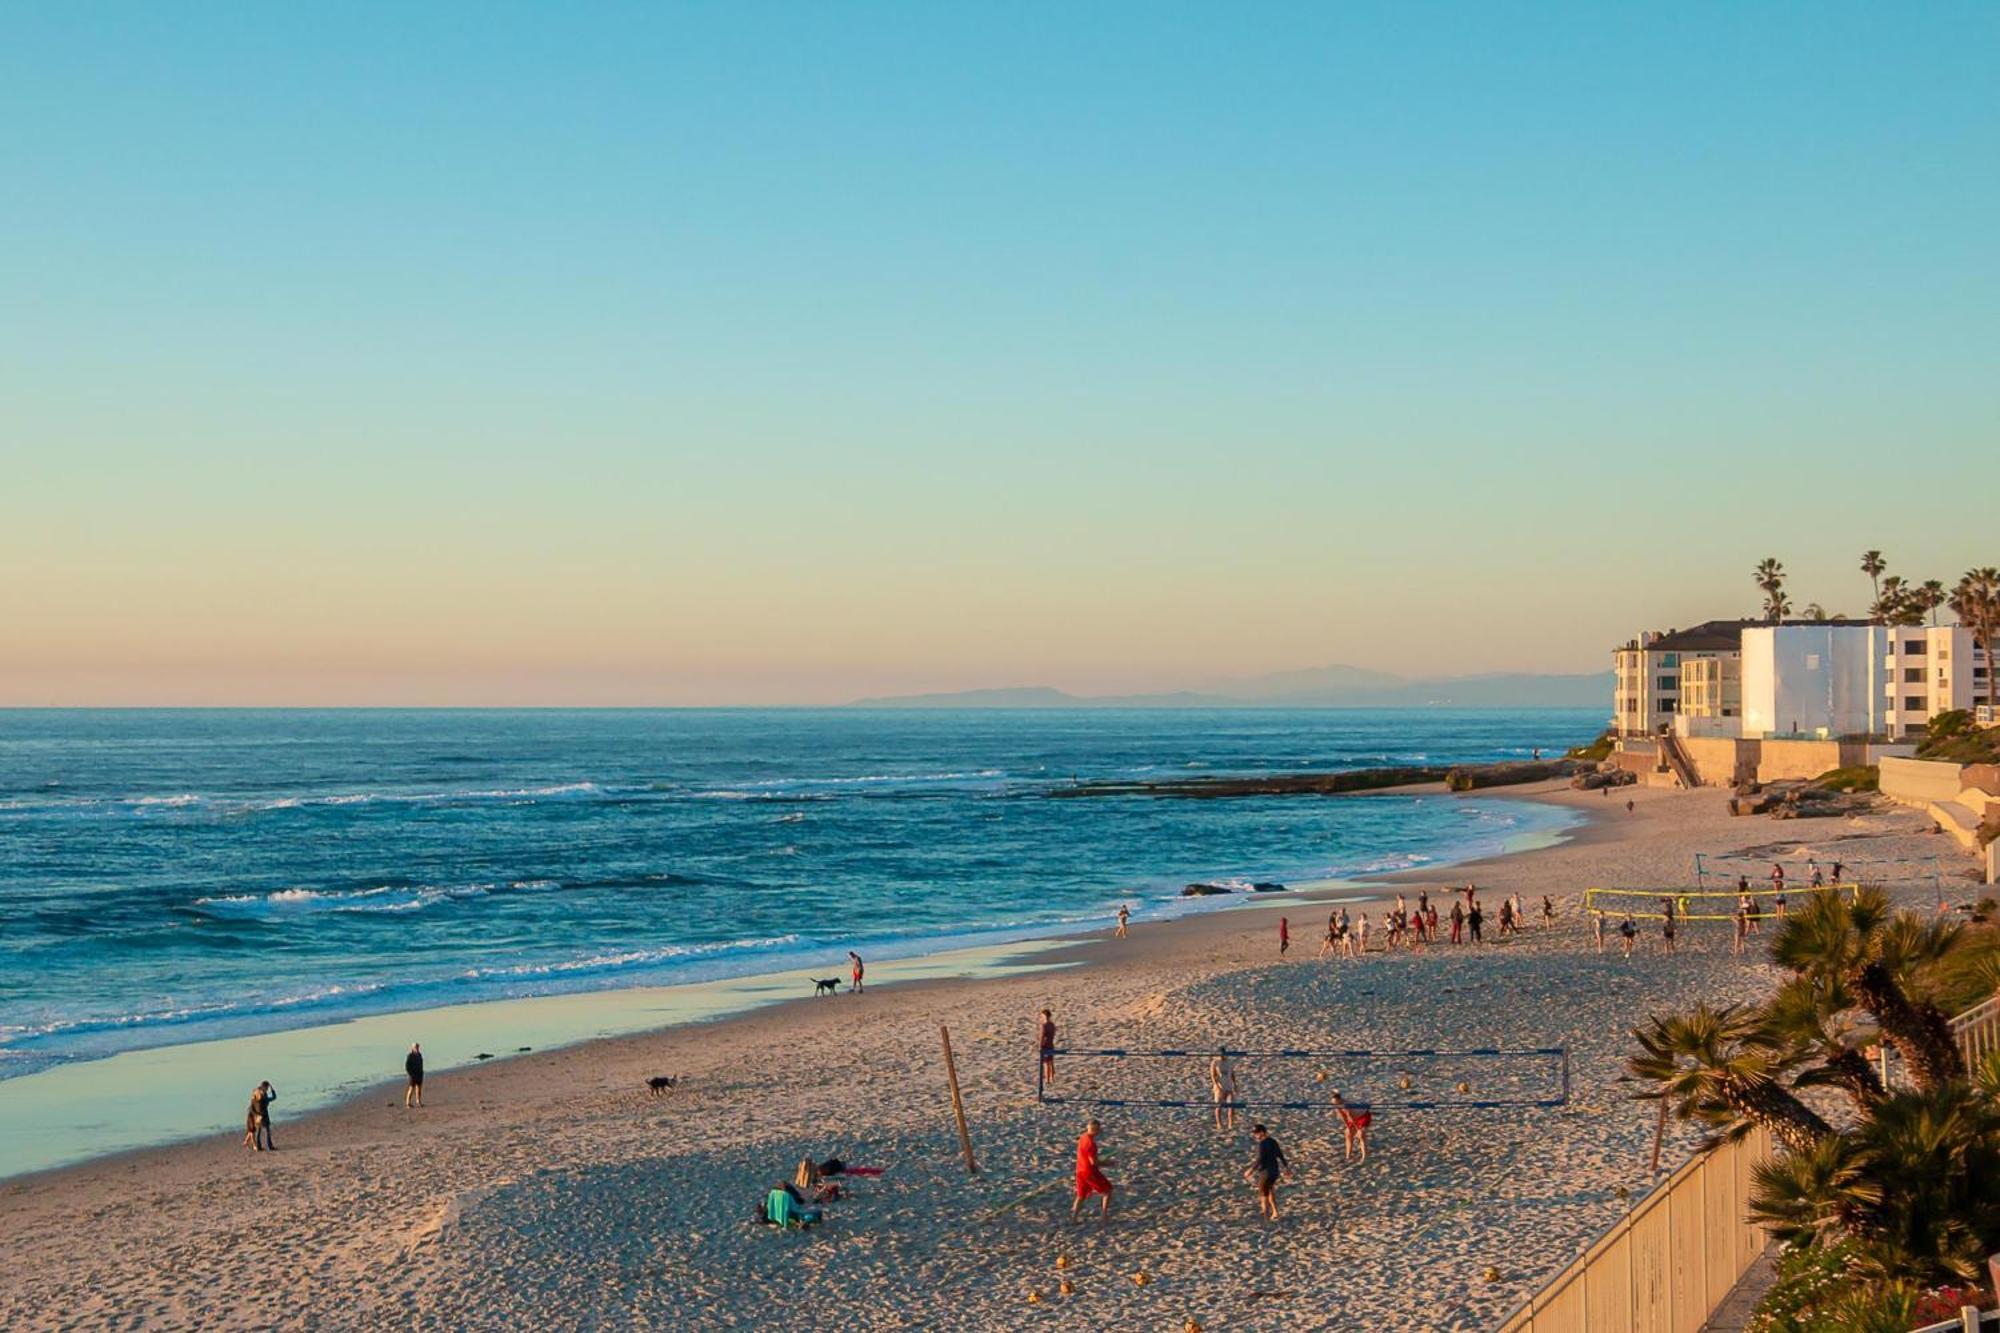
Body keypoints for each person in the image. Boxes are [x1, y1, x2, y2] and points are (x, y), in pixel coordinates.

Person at [1071, 1119, 1113, 1222]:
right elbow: (1093, 1162)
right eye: (1099, 1129)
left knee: (1081, 1195)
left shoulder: (1083, 1137)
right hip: (1089, 1172)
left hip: (1079, 1170)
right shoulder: (1091, 1143)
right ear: (1096, 1129)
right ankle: (1104, 1216)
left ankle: (1074, 1218)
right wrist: (1108, 1163)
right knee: (1108, 1191)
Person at [1245, 1123, 1289, 1220]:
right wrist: (1286, 1167)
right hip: (1275, 1171)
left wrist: (1250, 1170)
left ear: (1262, 1132)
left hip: (1265, 1172)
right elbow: (1280, 1155)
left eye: (1256, 1133)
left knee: (1263, 1195)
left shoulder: (1262, 1144)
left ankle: (1265, 1217)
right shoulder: (1273, 1141)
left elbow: (1260, 1159)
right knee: (1270, 1190)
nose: (1255, 1135)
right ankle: (1275, 1212)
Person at [1331, 1091, 1370, 1161]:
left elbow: (1350, 1117)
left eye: (1336, 1102)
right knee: (1348, 1134)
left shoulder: (1346, 1105)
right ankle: (1348, 1156)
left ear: (1340, 1100)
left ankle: (1365, 1157)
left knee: (1361, 1134)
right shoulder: (1336, 1104)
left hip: (1363, 1116)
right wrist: (1348, 1127)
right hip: (1354, 1118)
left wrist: (1357, 1129)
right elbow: (1343, 1117)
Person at [1210, 1049, 1238, 1130]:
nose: (1222, 1056)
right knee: (1218, 1106)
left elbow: (1232, 1074)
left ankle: (1230, 1124)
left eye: (1223, 1055)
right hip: (1219, 1087)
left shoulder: (1229, 1062)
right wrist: (1217, 1086)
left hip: (1229, 1086)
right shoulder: (1215, 1062)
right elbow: (1213, 1076)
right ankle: (1219, 1124)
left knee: (1231, 1105)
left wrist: (1235, 1085)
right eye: (1220, 1055)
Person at [1038, 1009, 1058, 1091]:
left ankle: (1047, 1079)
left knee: (1046, 1063)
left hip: (1045, 1046)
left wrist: (1040, 1046)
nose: (1041, 1018)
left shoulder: (1044, 1025)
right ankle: (1052, 1077)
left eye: (1042, 1016)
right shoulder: (1052, 1025)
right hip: (1051, 1045)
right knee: (1051, 1062)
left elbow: (1042, 1037)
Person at [404, 1042, 424, 1109]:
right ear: (412, 1048)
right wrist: (410, 1074)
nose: (417, 1048)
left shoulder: (419, 1055)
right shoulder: (410, 1056)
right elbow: (407, 1066)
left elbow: (421, 1063)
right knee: (411, 1089)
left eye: (418, 1047)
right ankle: (408, 1103)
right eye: (416, 1047)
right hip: (413, 1075)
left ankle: (418, 1101)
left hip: (419, 1074)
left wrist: (421, 1072)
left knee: (419, 1089)